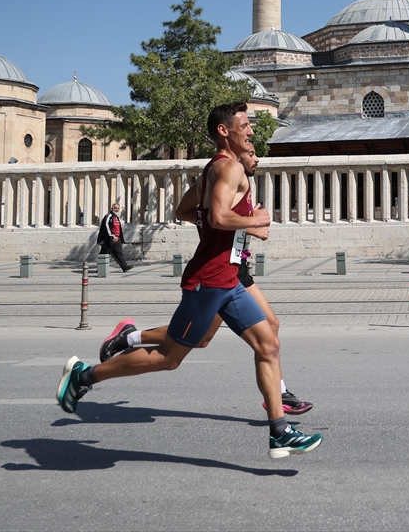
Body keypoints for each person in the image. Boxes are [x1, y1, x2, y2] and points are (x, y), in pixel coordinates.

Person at [56, 103, 322, 459]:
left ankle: (279, 432)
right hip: (209, 281)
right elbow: (218, 217)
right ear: (224, 131)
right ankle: (84, 376)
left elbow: (186, 211)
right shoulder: (228, 167)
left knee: (268, 344)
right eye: (245, 125)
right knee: (168, 358)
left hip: (230, 280)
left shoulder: (214, 170)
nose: (251, 131)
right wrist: (254, 221)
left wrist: (226, 224)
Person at [99, 148, 313, 415]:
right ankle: (121, 346)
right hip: (218, 272)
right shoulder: (222, 174)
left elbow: (208, 217)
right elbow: (208, 217)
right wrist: (250, 224)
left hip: (235, 266)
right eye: (251, 151)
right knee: (194, 341)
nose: (256, 158)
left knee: (236, 333)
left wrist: (245, 226)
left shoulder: (239, 180)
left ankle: (279, 396)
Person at [98, 202, 131, 272]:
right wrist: (112, 236)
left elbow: (118, 228)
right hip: (109, 240)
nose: (117, 209)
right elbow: (106, 226)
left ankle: (125, 267)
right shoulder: (108, 216)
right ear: (112, 208)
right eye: (115, 208)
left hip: (117, 239)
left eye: (118, 208)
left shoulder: (116, 217)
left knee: (119, 253)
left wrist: (119, 237)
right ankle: (100, 268)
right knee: (104, 254)